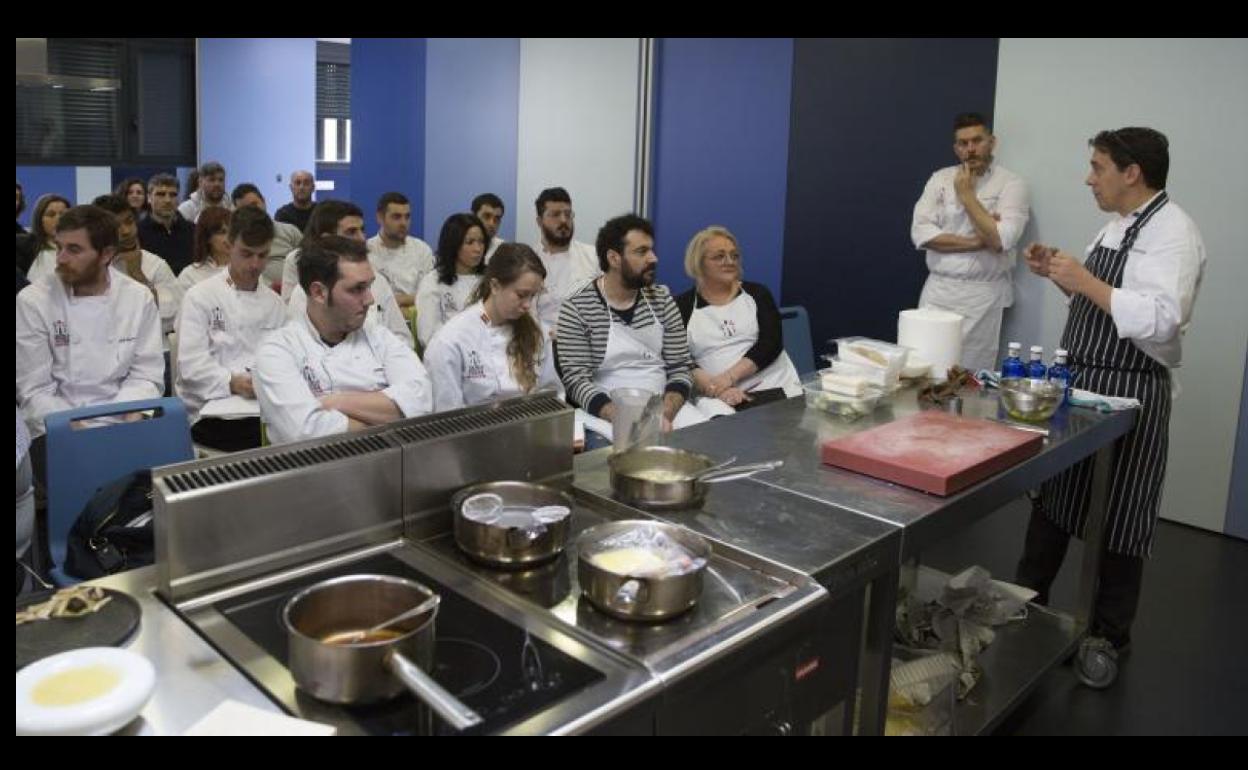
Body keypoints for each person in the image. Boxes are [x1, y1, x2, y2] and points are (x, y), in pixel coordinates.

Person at [1016, 127, 1206, 662]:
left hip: (1129, 388)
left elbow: (1163, 320)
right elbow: (1106, 303)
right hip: (1083, 382)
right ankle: (1024, 605)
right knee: (1054, 499)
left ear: (1132, 173)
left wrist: (1088, 282)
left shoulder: (1174, 233)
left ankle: (1108, 635)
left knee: (1123, 513)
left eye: (1098, 166)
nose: (1088, 177)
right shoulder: (1116, 227)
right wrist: (1061, 274)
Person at [254, 236, 433, 445]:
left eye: (369, 286)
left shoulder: (380, 337)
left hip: (385, 466)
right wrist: (385, 412)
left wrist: (333, 402)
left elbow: (422, 401)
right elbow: (305, 432)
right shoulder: (276, 351)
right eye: (357, 289)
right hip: (312, 472)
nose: (370, 299)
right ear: (319, 292)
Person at [16, 204, 164, 444]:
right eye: (59, 247)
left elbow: (146, 375)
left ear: (106, 254)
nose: (61, 258)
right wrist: (79, 430)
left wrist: (125, 422)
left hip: (126, 421)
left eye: (74, 249)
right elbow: (35, 391)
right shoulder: (33, 301)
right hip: (58, 429)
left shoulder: (137, 297)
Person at [555, 214, 704, 432]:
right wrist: (625, 418)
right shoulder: (577, 307)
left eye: (652, 250)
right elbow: (576, 381)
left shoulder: (662, 299)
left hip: (664, 407)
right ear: (614, 258)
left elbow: (680, 367)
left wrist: (663, 413)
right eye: (642, 252)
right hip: (605, 414)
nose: (653, 258)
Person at [911, 112, 1031, 372]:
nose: (971, 149)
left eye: (977, 141)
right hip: (938, 290)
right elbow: (921, 234)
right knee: (924, 370)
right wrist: (980, 240)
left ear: (992, 142)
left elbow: (1001, 239)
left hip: (981, 297)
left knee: (968, 377)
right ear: (956, 148)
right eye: (963, 144)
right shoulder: (940, 179)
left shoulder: (1011, 184)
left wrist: (966, 196)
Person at [175, 206, 285, 451]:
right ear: (229, 245)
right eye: (246, 254)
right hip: (211, 411)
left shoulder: (275, 303)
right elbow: (190, 367)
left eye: (262, 255)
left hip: (263, 407)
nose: (255, 264)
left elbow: (284, 359)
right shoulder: (200, 296)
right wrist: (233, 382)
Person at [674, 226, 802, 412]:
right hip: (717, 396)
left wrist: (728, 378)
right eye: (719, 256)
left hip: (774, 388)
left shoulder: (757, 294)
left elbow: (771, 344)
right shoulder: (682, 306)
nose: (729, 261)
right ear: (698, 263)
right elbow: (680, 359)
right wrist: (717, 389)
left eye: (734, 256)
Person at [424, 243, 560, 412]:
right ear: (495, 286)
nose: (528, 305)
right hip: (473, 432)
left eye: (533, 296)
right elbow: (447, 415)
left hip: (528, 426)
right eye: (521, 295)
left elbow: (551, 393)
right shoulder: (450, 341)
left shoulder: (536, 331)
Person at [282, 200, 415, 348]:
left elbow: (402, 338)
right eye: (351, 232)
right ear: (327, 239)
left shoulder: (378, 281)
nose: (362, 238)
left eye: (362, 230)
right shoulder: (307, 292)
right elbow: (301, 347)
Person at [92, 194, 183, 336]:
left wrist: (138, 275)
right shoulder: (88, 266)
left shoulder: (154, 265)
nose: (126, 231)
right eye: (116, 227)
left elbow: (173, 319)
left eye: (129, 222)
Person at [531, 187, 600, 333]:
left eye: (568, 214)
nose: (563, 220)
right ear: (539, 221)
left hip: (585, 341)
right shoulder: (528, 260)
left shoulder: (594, 257)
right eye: (555, 214)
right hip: (542, 345)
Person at [415, 213, 487, 348]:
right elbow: (428, 335)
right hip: (448, 354)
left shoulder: (489, 279)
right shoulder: (433, 282)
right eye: (469, 242)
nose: (478, 249)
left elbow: (491, 321)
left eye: (481, 241)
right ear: (453, 244)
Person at [365, 192, 435, 311]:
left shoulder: (422, 250)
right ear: (380, 218)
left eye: (407, 217)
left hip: (417, 319)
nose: (403, 223)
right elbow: (371, 299)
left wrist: (400, 300)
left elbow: (429, 296)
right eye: (396, 217)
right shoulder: (365, 251)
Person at [230, 183, 302, 285]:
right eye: (246, 209)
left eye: (254, 204)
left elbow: (308, 260)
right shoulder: (238, 240)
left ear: (263, 201)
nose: (253, 211)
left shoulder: (290, 230)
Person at [137, 173, 195, 274]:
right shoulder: (138, 232)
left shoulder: (193, 231)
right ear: (149, 198)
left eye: (173, 195)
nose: (167, 200)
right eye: (161, 194)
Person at [176, 206, 232, 292]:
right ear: (207, 237)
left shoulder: (249, 268)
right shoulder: (190, 275)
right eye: (222, 232)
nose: (230, 238)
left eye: (233, 231)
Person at [23, 193, 71, 283]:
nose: (58, 219)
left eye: (63, 214)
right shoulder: (25, 248)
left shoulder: (82, 248)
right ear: (39, 219)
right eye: (51, 215)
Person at [472, 192, 506, 261]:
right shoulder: (458, 246)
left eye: (497, 219)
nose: (492, 224)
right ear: (473, 217)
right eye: (486, 216)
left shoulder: (504, 250)